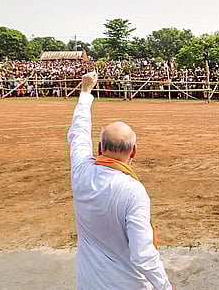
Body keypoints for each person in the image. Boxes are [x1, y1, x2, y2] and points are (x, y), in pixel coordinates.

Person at [67, 71, 174, 290]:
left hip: (89, 284)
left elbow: (78, 133)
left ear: (99, 149)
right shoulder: (133, 191)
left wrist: (86, 91)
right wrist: (164, 287)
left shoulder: (81, 173)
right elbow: (143, 254)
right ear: (133, 153)